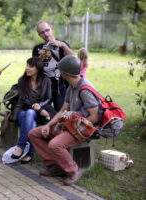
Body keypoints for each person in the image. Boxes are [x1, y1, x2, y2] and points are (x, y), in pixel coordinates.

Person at [29, 55, 100, 185]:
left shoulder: (85, 89)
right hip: (70, 124)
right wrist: (49, 125)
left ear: (65, 73)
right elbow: (63, 111)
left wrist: (75, 128)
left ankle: (73, 171)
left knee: (55, 144)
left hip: (84, 128)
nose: (59, 73)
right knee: (34, 133)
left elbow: (94, 116)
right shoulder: (71, 87)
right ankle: (56, 166)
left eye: (60, 71)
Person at [11, 57, 56, 164]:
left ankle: (22, 148)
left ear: (38, 68)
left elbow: (49, 98)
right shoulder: (22, 80)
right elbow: (23, 99)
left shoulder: (46, 80)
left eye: (31, 66)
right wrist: (34, 106)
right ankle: (26, 150)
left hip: (39, 111)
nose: (27, 68)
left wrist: (39, 107)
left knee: (32, 120)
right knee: (30, 115)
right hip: (22, 110)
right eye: (27, 65)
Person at [32, 21, 73, 112]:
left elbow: (73, 59)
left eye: (47, 30)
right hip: (44, 87)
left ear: (52, 29)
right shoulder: (37, 48)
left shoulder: (62, 44)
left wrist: (63, 45)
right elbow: (33, 68)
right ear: (39, 35)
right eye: (42, 32)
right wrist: (41, 56)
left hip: (61, 86)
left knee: (62, 113)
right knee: (44, 113)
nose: (46, 34)